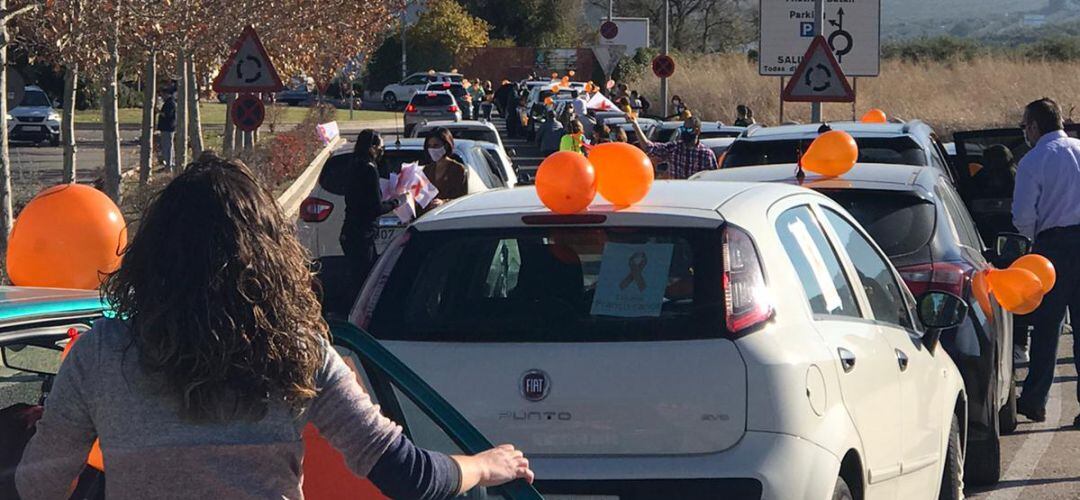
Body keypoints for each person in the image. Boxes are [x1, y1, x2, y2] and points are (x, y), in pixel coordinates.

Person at [15, 152, 533, 499]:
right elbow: (407, 474)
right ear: (269, 261)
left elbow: (38, 487)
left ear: (151, 258)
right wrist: (486, 465)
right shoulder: (300, 355)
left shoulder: (100, 356)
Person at [1012, 98, 1080, 426]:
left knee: (1047, 326)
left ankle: (1035, 400)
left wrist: (1033, 242)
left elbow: (1023, 215)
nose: (1025, 132)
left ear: (1036, 126)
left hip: (1054, 246)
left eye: (1025, 125)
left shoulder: (1034, 160)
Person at [339, 131, 402, 308]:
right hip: (363, 234)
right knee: (366, 282)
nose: (381, 152)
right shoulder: (369, 169)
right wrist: (395, 203)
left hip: (350, 232)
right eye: (380, 147)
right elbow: (374, 207)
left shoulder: (353, 165)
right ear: (372, 147)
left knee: (359, 278)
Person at [629, 114, 717, 179]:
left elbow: (714, 179)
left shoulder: (706, 155)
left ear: (697, 131)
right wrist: (635, 125)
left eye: (689, 129)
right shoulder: (675, 148)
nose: (685, 132)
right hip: (676, 193)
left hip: (697, 198)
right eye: (683, 129)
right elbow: (649, 147)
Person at [422, 128, 469, 204]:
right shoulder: (427, 170)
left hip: (448, 214)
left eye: (436, 145)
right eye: (430, 146)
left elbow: (462, 200)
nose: (432, 149)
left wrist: (443, 203)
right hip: (429, 215)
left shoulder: (458, 170)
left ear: (446, 146)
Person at [157, 86, 177, 171]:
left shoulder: (170, 103)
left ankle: (169, 165)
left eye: (162, 95)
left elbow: (167, 115)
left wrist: (159, 111)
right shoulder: (170, 102)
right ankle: (169, 163)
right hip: (167, 127)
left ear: (166, 94)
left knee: (167, 146)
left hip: (168, 127)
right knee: (167, 146)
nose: (162, 97)